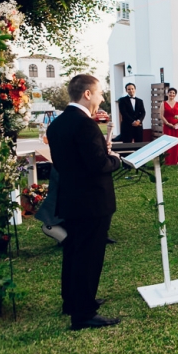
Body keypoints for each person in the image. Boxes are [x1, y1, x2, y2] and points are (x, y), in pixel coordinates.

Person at [46, 74, 123, 330]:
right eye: (99, 93)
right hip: (92, 202)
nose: (101, 97)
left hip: (70, 198)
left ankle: (72, 301)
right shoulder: (85, 124)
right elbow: (98, 164)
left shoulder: (56, 125)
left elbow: (65, 163)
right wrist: (114, 159)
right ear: (87, 94)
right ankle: (84, 312)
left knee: (73, 252)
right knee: (88, 257)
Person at [160, 87, 178, 165]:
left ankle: (177, 159)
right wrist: (167, 123)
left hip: (177, 126)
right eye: (170, 92)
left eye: (173, 93)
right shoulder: (163, 103)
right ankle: (168, 160)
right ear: (167, 94)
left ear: (175, 95)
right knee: (168, 142)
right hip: (168, 126)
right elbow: (161, 115)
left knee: (177, 142)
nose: (172, 94)